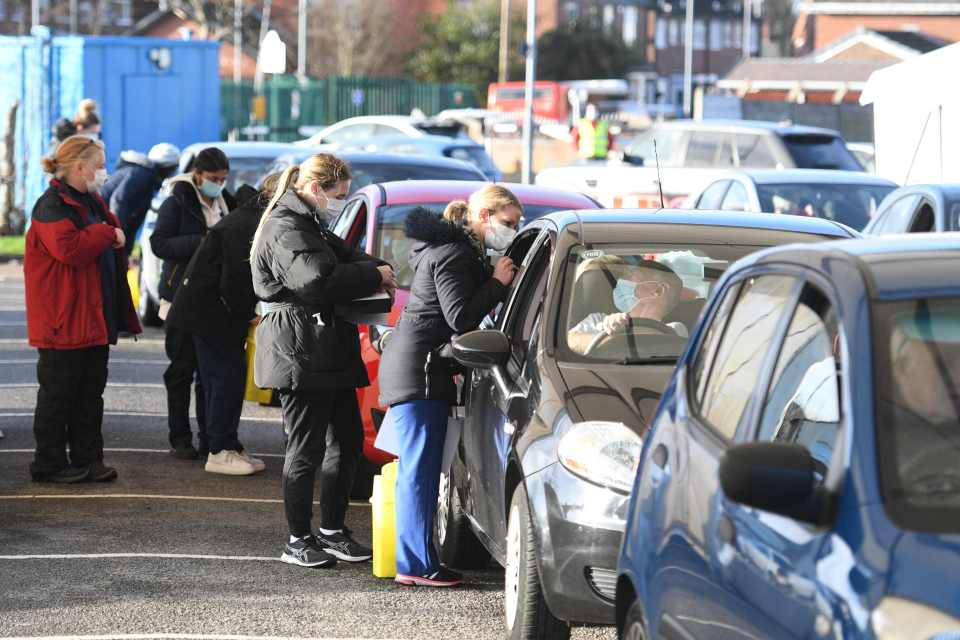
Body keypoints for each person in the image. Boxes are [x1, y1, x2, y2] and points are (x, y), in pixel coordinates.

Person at [249, 153, 397, 568]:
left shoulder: (308, 221)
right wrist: (373, 276)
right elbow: (314, 280)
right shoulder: (284, 225)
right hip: (299, 349)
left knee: (347, 442)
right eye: (338, 195)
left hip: (325, 346)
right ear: (316, 189)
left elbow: (345, 257)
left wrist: (378, 268)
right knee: (305, 449)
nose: (339, 201)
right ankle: (297, 538)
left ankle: (331, 530)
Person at [378, 185, 521, 587]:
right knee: (418, 473)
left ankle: (419, 561)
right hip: (419, 372)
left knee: (420, 471)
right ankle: (416, 565)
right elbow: (460, 317)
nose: (513, 229)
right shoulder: (455, 254)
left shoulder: (454, 251)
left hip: (420, 369)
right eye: (508, 222)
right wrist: (496, 283)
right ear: (483, 217)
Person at [24, 135, 141, 483]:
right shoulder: (52, 205)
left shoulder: (90, 201)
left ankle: (89, 459)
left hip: (92, 320)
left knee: (90, 396)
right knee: (58, 397)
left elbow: (113, 231)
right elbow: (70, 250)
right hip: (63, 321)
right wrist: (107, 233)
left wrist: (109, 232)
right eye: (99, 165)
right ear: (79, 167)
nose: (104, 172)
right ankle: (49, 464)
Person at [165, 176, 280, 476]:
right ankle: (219, 450)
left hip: (213, 311)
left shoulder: (247, 218)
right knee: (223, 380)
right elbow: (235, 279)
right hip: (208, 312)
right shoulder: (246, 226)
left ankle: (226, 443)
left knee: (225, 379)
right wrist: (248, 313)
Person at [151, 147, 236, 461]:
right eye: (214, 179)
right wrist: (202, 242)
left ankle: (208, 437)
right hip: (180, 298)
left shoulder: (227, 203)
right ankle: (180, 436)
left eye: (224, 179)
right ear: (198, 176)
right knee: (181, 369)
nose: (219, 184)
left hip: (213, 300)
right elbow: (159, 244)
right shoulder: (177, 202)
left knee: (208, 373)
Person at [567, 259, 684, 355]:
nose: (622, 280)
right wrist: (605, 333)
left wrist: (619, 336)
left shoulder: (675, 329)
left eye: (632, 275)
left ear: (657, 291)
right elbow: (570, 340)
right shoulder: (598, 320)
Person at [100, 143, 181, 254]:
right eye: (172, 168)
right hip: (101, 220)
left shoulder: (150, 180)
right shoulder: (143, 173)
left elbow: (136, 217)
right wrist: (117, 234)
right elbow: (119, 200)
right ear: (165, 167)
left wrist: (127, 246)